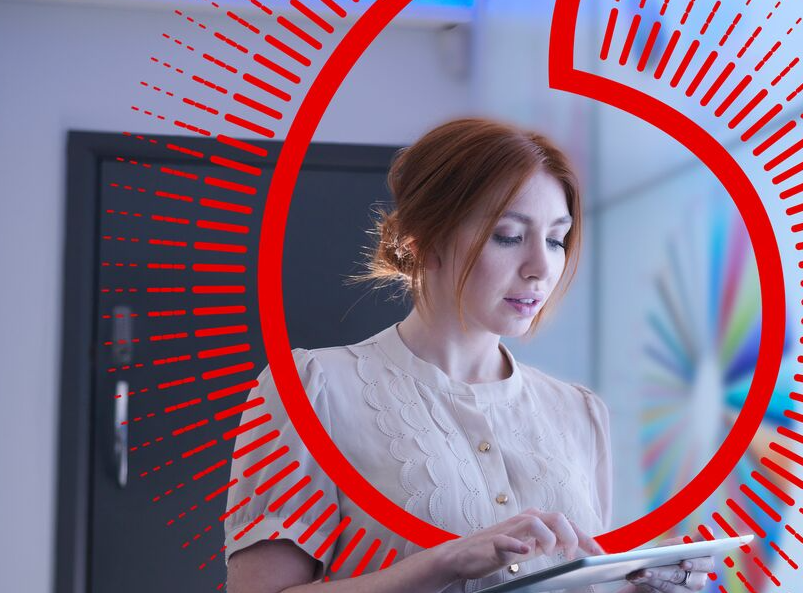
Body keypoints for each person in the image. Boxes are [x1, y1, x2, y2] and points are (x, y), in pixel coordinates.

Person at [223, 118, 714, 593]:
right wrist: (444, 562)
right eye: (509, 235)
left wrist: (643, 586)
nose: (542, 268)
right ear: (424, 239)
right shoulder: (315, 389)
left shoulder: (579, 413)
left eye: (555, 239)